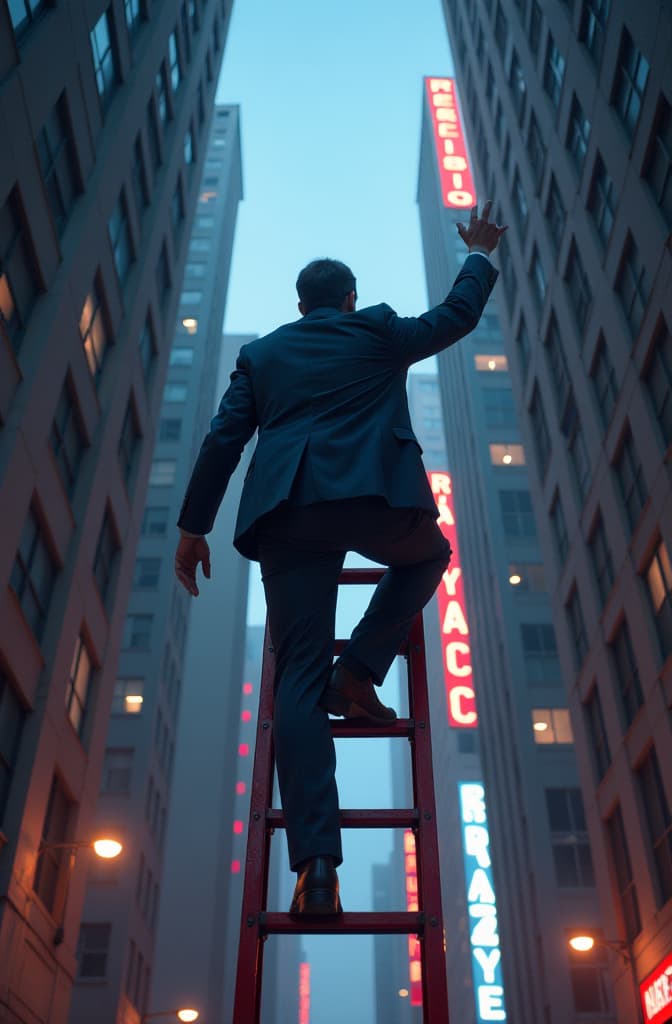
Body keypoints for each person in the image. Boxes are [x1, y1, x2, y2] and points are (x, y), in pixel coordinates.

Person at [175, 201, 506, 915]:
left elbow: (222, 442)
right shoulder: (377, 330)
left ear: (300, 305)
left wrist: (192, 527)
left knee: (294, 679)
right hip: (374, 500)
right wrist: (478, 255)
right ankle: (356, 671)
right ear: (349, 299)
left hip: (288, 512)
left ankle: (316, 870)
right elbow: (454, 318)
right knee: (427, 559)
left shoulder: (262, 355)